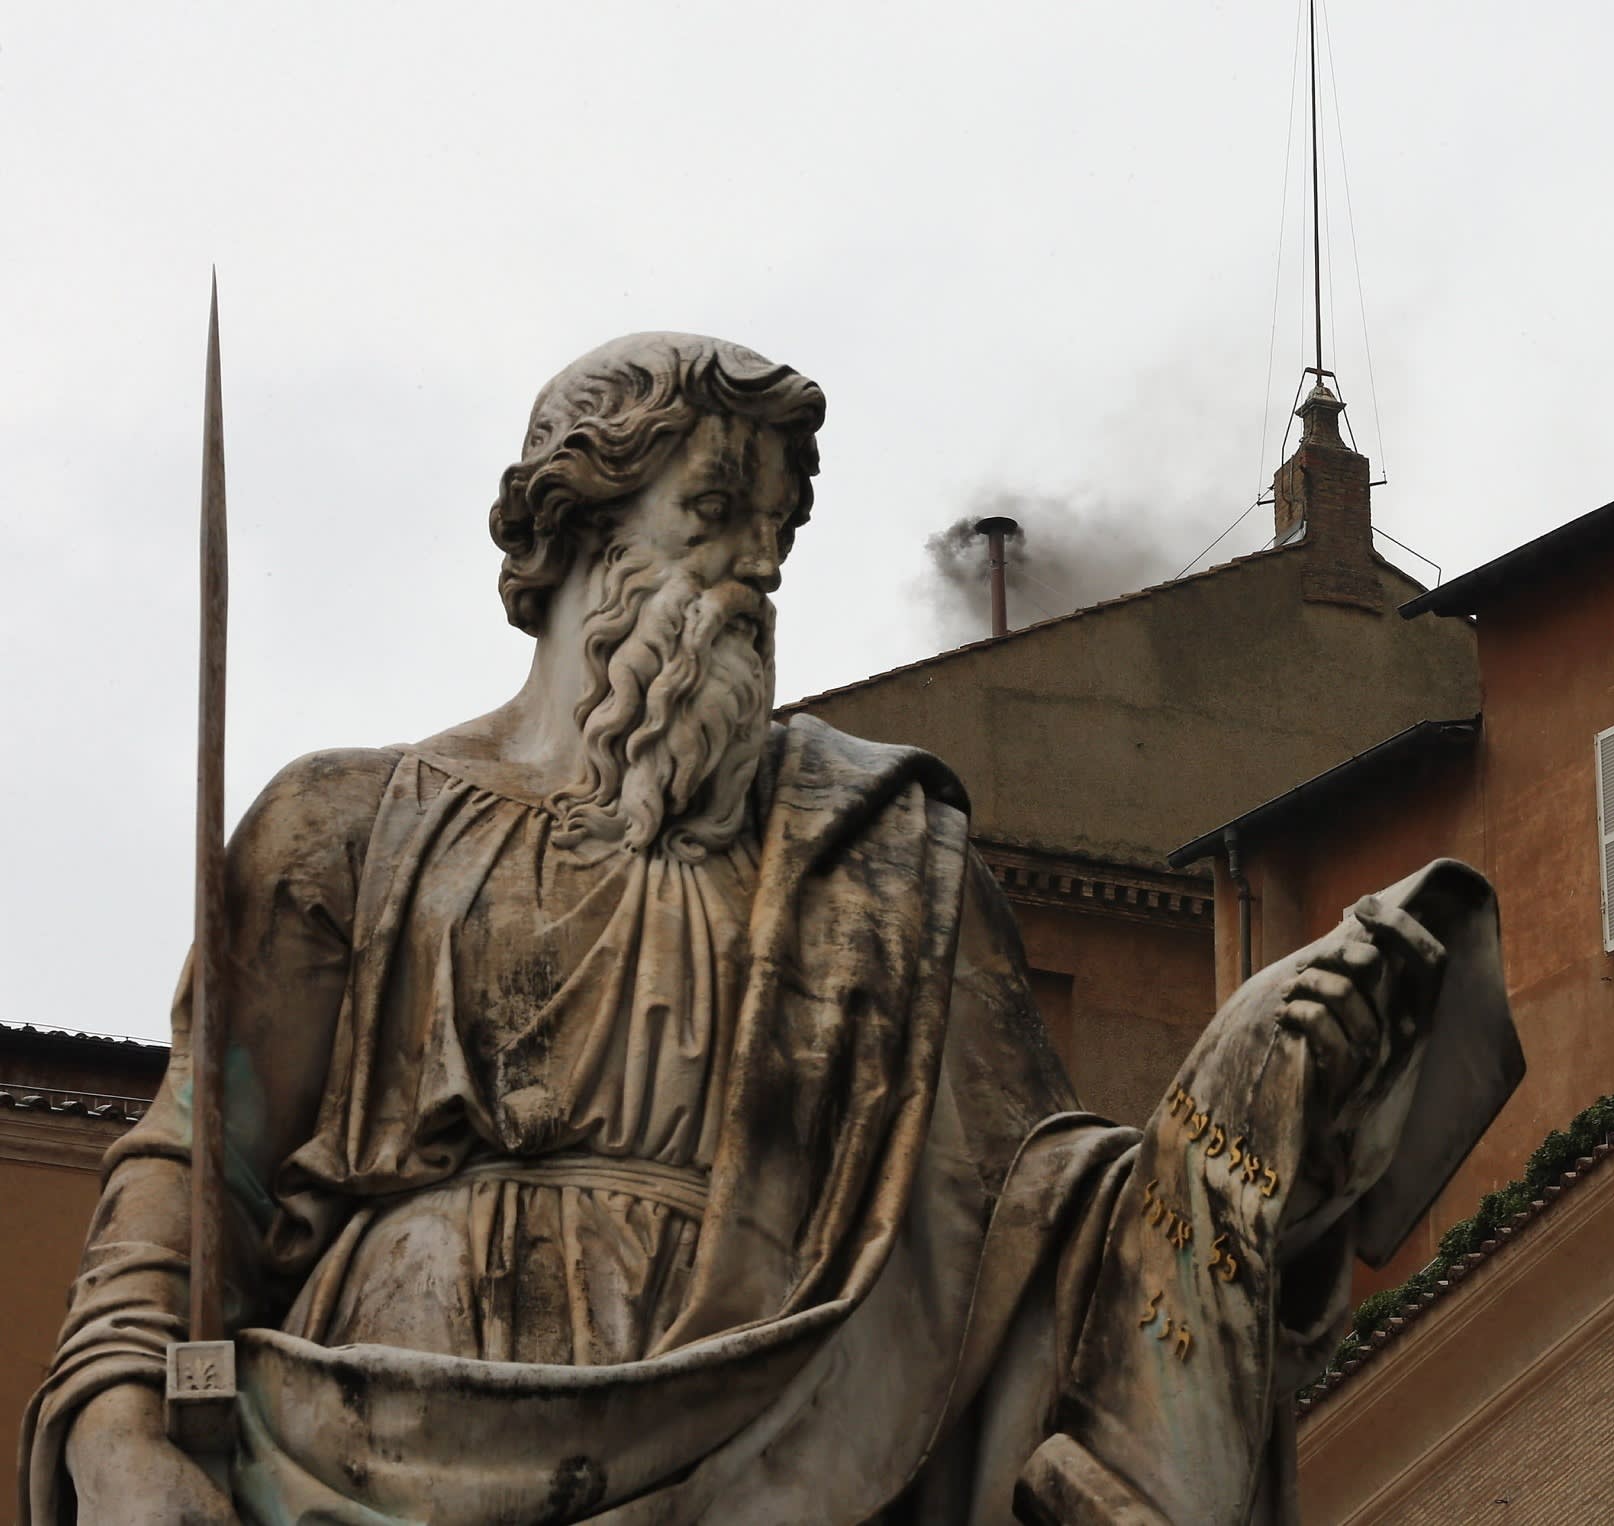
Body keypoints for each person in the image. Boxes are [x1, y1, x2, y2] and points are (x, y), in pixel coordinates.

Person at [23, 334, 1490, 1526]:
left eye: (778, 532)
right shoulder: (338, 826)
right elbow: (184, 1169)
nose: (758, 571)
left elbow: (1028, 1219)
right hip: (377, 1430)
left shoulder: (885, 849)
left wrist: (1233, 1117)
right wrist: (120, 1426)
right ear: (578, 533)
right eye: (714, 517)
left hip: (782, 1443)